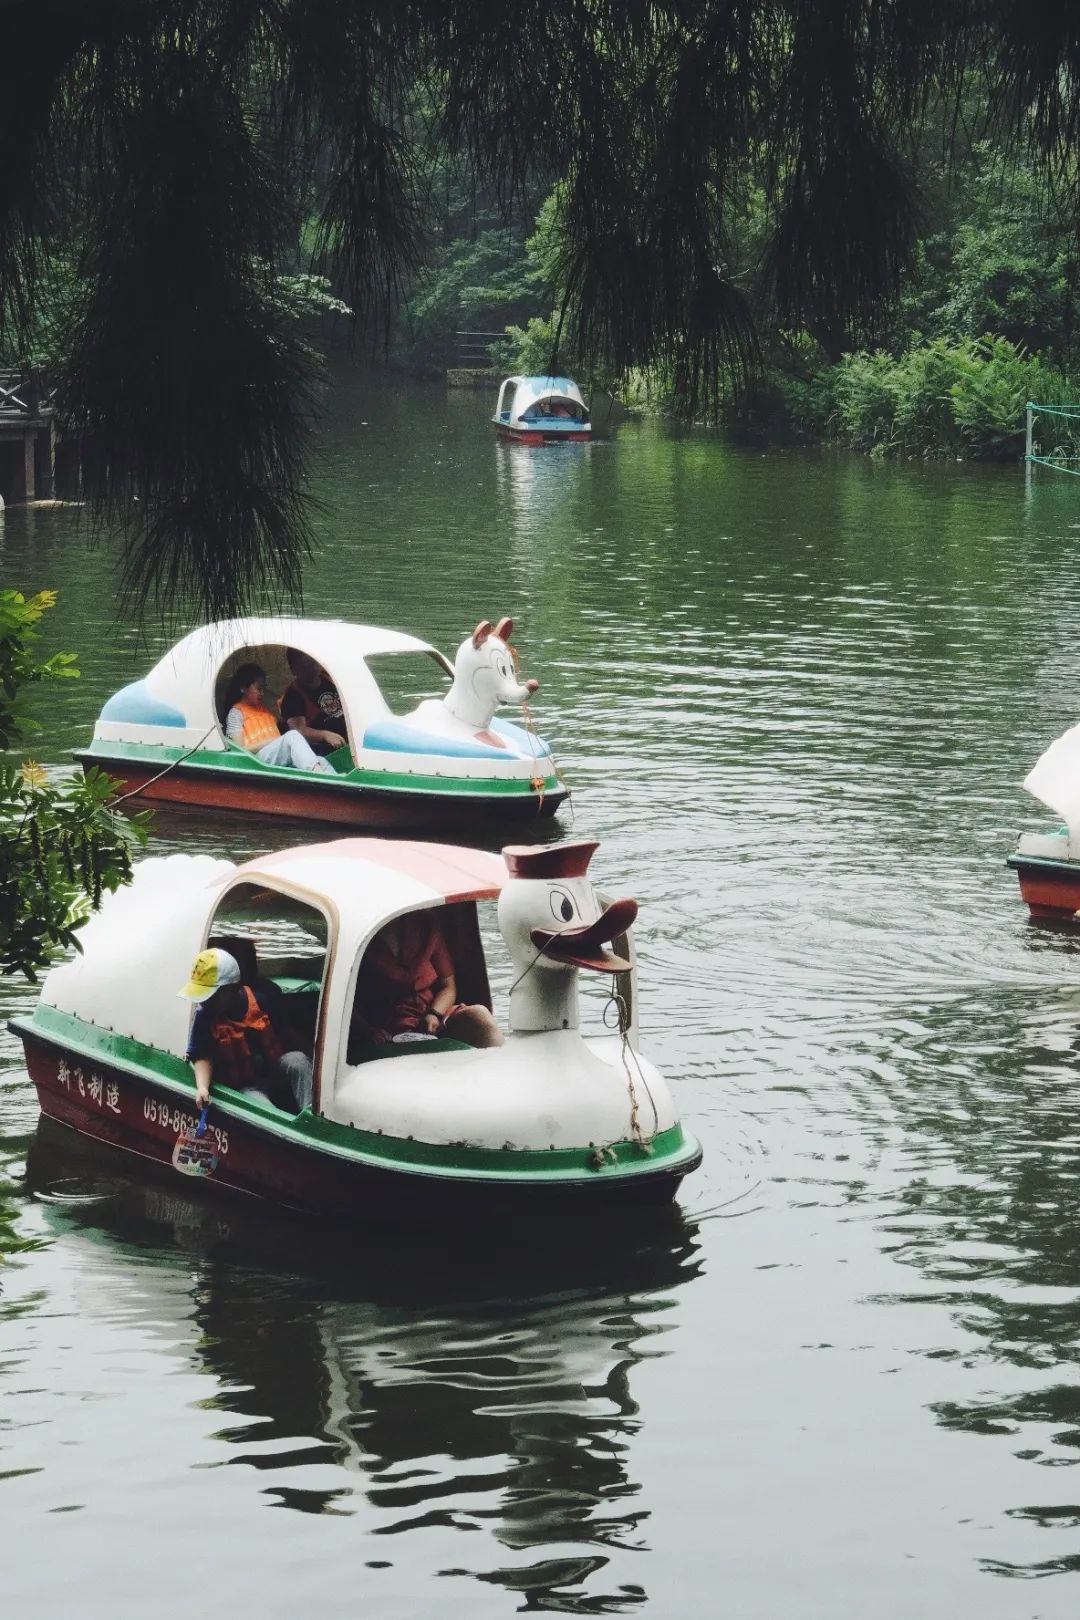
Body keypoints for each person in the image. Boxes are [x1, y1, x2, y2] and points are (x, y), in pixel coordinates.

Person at [179, 947, 314, 1113]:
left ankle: (312, 1117)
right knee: (262, 1108)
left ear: (232, 988)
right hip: (247, 1087)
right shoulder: (205, 1016)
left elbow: (287, 1034)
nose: (205, 1001)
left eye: (211, 995)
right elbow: (202, 1056)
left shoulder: (262, 1000)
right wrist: (202, 1088)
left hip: (273, 1072)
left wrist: (312, 1056)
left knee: (297, 1060)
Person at [350, 910, 503, 1054]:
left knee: (479, 1015)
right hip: (382, 1025)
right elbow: (339, 998)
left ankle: (499, 1074)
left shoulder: (425, 924)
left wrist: (434, 1014)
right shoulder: (356, 933)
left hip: (430, 1015)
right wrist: (367, 1030)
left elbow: (448, 986)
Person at [224, 662, 334, 774]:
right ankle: (319, 775)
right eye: (258, 688)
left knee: (319, 760)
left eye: (264, 688)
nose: (262, 693)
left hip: (274, 757)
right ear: (243, 688)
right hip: (256, 761)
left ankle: (336, 783)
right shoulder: (235, 713)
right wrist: (270, 742)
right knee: (293, 735)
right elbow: (239, 751)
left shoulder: (264, 710)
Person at [280, 648, 348, 756]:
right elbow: (298, 730)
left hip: (351, 737)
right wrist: (324, 735)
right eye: (304, 665)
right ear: (294, 670)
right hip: (326, 750)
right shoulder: (292, 696)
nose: (311, 667)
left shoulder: (329, 677)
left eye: (312, 661)